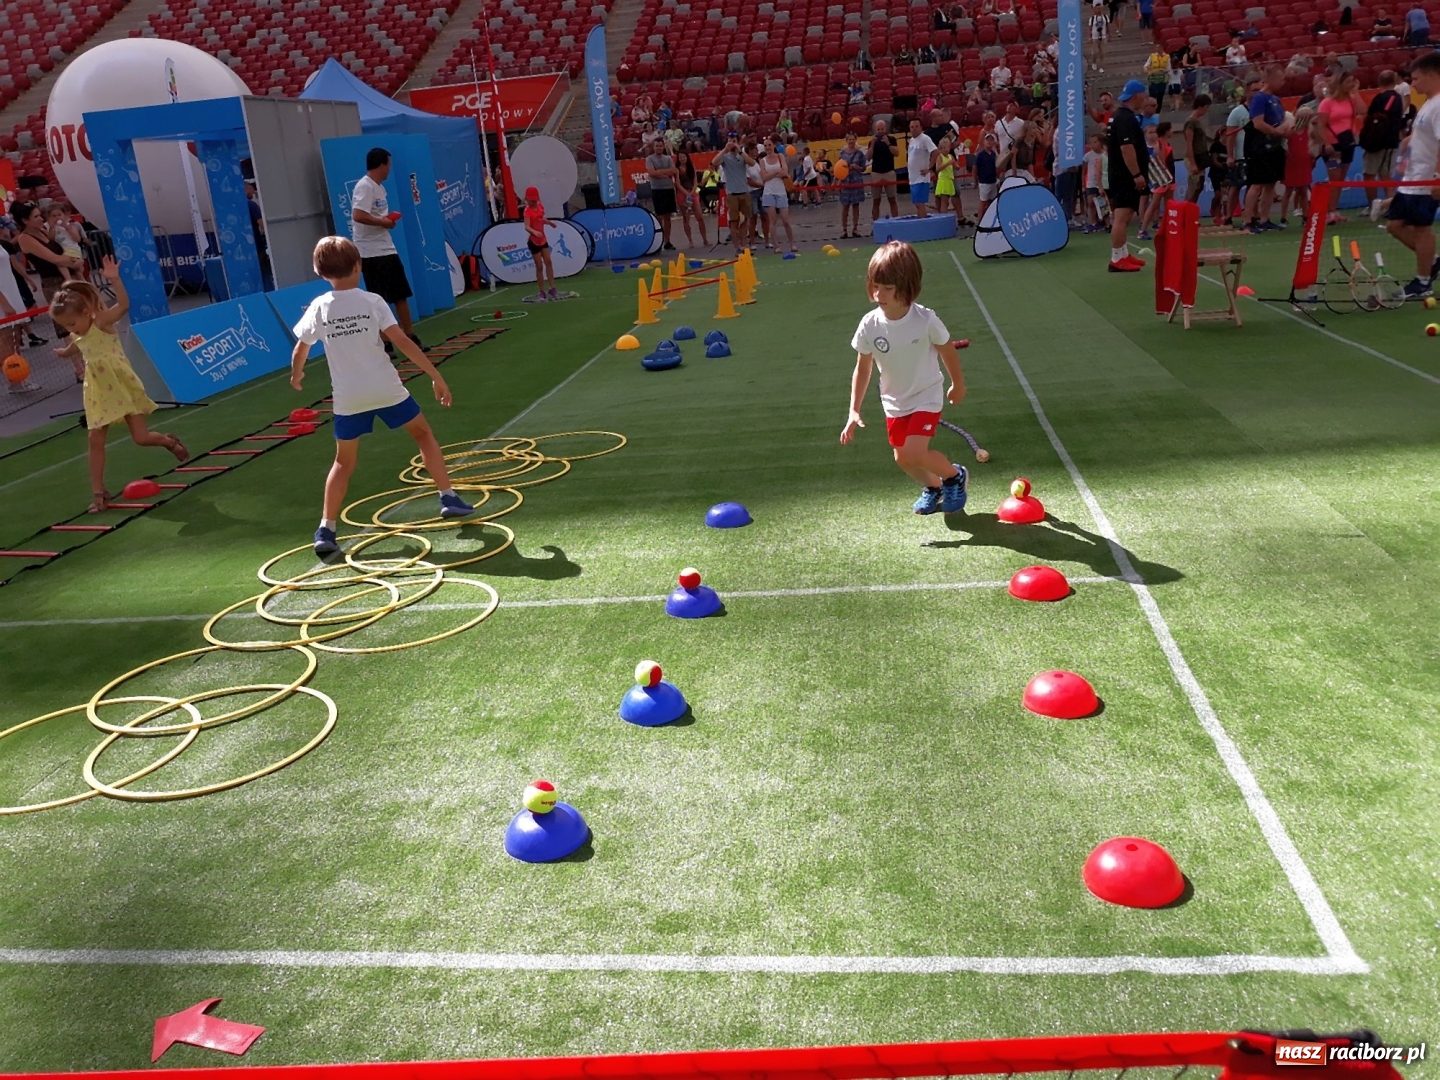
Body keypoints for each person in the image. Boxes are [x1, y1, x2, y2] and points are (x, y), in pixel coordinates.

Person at [292, 236, 474, 557]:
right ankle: (447, 496)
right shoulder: (373, 301)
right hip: (386, 389)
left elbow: (301, 348)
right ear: (358, 266)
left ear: (319, 272)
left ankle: (326, 529)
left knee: (343, 462)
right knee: (423, 435)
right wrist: (435, 376)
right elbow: (402, 341)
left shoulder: (319, 306)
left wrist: (297, 374)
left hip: (349, 398)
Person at [49, 258, 188, 514]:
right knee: (95, 440)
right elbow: (75, 347)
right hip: (97, 392)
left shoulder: (101, 323)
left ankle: (168, 441)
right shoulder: (77, 334)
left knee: (141, 438)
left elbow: (124, 305)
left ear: (86, 312)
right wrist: (63, 353)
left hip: (122, 386)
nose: (70, 329)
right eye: (65, 326)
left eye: (72, 323)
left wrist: (114, 279)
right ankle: (99, 492)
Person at [840, 241, 968, 517]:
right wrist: (853, 410)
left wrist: (957, 384)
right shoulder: (869, 324)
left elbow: (947, 350)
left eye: (887, 288)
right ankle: (933, 486)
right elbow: (863, 368)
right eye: (875, 285)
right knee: (903, 459)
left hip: (926, 395)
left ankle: (954, 476)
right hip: (894, 401)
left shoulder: (925, 320)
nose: (878, 294)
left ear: (907, 286)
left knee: (915, 453)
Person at [1386, 52, 1440, 296]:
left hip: (1426, 180)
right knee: (1394, 225)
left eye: (1416, 79)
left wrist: (1437, 178)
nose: (1413, 84)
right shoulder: (1429, 103)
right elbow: (1422, 136)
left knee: (1421, 229)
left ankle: (1423, 283)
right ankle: (1433, 261)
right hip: (1412, 178)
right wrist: (1406, 148)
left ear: (1432, 75)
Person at [350, 148, 416, 345]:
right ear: (381, 165)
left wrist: (387, 221)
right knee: (379, 299)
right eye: (388, 165)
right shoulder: (365, 186)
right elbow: (358, 215)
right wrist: (383, 222)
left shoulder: (380, 188)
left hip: (386, 247)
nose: (389, 169)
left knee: (401, 293)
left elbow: (375, 216)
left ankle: (410, 336)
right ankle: (385, 342)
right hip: (370, 252)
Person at [12, 200, 83, 361]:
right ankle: (79, 366)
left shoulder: (44, 231)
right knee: (67, 325)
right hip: (54, 283)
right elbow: (55, 259)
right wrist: (75, 262)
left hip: (68, 275)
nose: (41, 219)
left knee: (81, 318)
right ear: (25, 220)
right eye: (36, 216)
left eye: (40, 215)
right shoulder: (25, 238)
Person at [1106, 80, 1150, 271]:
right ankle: (1117, 258)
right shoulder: (1125, 118)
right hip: (1124, 175)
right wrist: (1136, 174)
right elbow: (1126, 148)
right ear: (1136, 96)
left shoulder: (1120, 116)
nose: (1145, 99)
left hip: (1121, 174)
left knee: (1125, 215)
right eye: (1143, 96)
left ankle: (1123, 253)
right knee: (1122, 217)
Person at [1317, 71, 1364, 224]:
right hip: (1332, 144)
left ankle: (1334, 211)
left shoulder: (1351, 99)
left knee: (1340, 180)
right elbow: (1321, 125)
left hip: (1347, 142)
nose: (1351, 85)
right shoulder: (1327, 102)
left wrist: (1356, 92)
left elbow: (1362, 111)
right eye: (1348, 82)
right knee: (1334, 179)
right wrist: (1326, 143)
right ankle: (1327, 212)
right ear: (1340, 84)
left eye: (1352, 82)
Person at [1361, 71, 1406, 210]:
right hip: (1392, 141)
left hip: (1376, 142)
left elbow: (1369, 117)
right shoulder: (1398, 98)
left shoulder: (1380, 98)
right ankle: (1389, 206)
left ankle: (1372, 206)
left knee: (1369, 174)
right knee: (1386, 175)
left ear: (1379, 82)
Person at [758, 138, 798, 253]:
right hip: (769, 192)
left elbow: (784, 172)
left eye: (769, 145)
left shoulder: (780, 157)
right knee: (773, 220)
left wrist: (771, 174)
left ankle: (792, 243)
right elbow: (764, 178)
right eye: (765, 146)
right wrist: (776, 172)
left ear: (773, 146)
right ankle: (776, 245)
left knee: (786, 220)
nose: (767, 147)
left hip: (781, 191)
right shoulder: (763, 161)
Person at [716, 137, 755, 253]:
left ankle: (744, 246)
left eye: (734, 141)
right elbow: (714, 162)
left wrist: (740, 151)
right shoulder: (725, 157)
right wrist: (725, 149)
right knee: (734, 221)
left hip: (744, 191)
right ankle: (737, 247)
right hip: (732, 193)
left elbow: (752, 163)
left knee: (745, 221)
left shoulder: (742, 156)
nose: (732, 143)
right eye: (730, 141)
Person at [1137, 121, 1174, 240]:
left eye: (1154, 132)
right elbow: (1161, 164)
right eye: (1170, 129)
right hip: (1161, 180)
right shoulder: (1158, 146)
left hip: (1169, 178)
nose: (1172, 131)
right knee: (1154, 204)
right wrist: (1165, 181)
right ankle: (1142, 230)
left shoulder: (1164, 144)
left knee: (1169, 204)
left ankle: (1169, 227)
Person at [1281, 107, 1318, 223]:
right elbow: (1283, 142)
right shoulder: (1291, 131)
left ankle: (1305, 215)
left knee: (1303, 190)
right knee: (1288, 190)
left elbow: (1316, 143)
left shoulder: (1310, 132)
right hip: (1292, 163)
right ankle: (1283, 217)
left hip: (1305, 163)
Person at [521, 186, 558, 302]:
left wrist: (549, 223)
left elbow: (541, 219)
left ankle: (552, 287)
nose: (533, 202)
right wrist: (534, 232)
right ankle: (541, 291)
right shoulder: (527, 211)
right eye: (531, 200)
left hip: (543, 239)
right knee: (539, 266)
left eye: (534, 200)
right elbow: (527, 226)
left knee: (548, 262)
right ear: (527, 199)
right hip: (534, 241)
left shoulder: (540, 207)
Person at [644, 135, 678, 250]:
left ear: (663, 147)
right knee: (659, 217)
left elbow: (673, 171)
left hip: (668, 189)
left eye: (660, 146)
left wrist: (659, 172)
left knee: (668, 216)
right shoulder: (649, 159)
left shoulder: (668, 159)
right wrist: (664, 173)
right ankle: (658, 241)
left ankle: (667, 241)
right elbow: (652, 173)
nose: (658, 148)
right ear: (653, 147)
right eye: (656, 146)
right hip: (657, 190)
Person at [673, 150, 709, 247]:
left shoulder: (691, 167)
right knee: (686, 218)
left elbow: (695, 181)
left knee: (700, 217)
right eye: (680, 157)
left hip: (692, 192)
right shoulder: (677, 169)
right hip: (682, 194)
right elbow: (677, 183)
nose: (682, 159)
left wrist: (692, 192)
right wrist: (686, 193)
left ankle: (705, 239)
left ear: (687, 157)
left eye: (684, 157)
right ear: (678, 159)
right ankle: (690, 241)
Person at [868, 120, 901, 223]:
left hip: (889, 172)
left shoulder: (892, 139)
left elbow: (897, 153)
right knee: (876, 200)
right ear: (875, 130)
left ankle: (896, 222)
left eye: (882, 129)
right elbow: (868, 157)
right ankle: (876, 224)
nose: (880, 131)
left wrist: (888, 143)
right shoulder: (872, 141)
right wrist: (872, 145)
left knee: (892, 199)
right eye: (878, 129)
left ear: (886, 129)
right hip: (876, 172)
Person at [1182, 94, 1213, 204]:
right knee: (1194, 186)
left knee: (1199, 186)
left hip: (1200, 158)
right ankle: (1186, 210)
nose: (1207, 110)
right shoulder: (1190, 122)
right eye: (1206, 107)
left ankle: (1191, 209)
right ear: (1200, 106)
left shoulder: (1197, 122)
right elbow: (1189, 143)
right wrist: (1192, 163)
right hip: (1194, 158)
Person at [837, 132, 868, 238]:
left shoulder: (860, 154)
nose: (851, 141)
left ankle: (855, 228)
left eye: (853, 139)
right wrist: (838, 181)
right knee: (845, 206)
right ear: (846, 141)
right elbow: (838, 168)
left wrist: (856, 167)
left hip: (856, 180)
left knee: (856, 205)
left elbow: (864, 168)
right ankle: (844, 229)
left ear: (855, 140)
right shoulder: (842, 154)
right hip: (845, 181)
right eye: (849, 139)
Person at [906, 117, 937, 218]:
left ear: (921, 127)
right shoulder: (911, 140)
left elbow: (935, 152)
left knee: (920, 203)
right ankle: (920, 219)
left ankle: (923, 221)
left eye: (916, 126)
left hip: (921, 177)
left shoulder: (925, 139)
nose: (914, 129)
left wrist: (929, 168)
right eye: (912, 127)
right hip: (913, 177)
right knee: (917, 203)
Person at [975, 131, 1000, 218]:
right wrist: (975, 179)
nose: (989, 142)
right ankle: (979, 220)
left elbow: (996, 167)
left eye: (991, 140)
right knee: (983, 201)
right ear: (984, 142)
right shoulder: (980, 155)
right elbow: (975, 167)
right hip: (984, 181)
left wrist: (997, 179)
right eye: (987, 140)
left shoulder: (993, 154)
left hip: (992, 181)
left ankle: (989, 218)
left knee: (992, 201)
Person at [934, 135, 957, 214]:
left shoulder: (951, 156)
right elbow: (937, 169)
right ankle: (943, 216)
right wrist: (947, 164)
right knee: (944, 201)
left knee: (947, 202)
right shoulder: (940, 157)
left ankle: (944, 214)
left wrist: (956, 165)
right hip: (943, 180)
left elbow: (956, 166)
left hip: (949, 180)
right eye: (944, 148)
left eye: (947, 148)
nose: (946, 149)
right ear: (940, 149)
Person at [1145, 39, 1171, 107]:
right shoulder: (1152, 56)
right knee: (1152, 94)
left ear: (1162, 48)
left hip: (1162, 79)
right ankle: (1151, 107)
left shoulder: (1167, 57)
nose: (1157, 49)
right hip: (1153, 78)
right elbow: (1146, 66)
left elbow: (1169, 69)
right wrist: (1147, 70)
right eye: (1156, 47)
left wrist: (1163, 70)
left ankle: (1158, 109)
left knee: (1160, 94)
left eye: (1158, 47)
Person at [1088, 0, 1109, 70]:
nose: (1099, 10)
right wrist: (1089, 37)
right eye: (1097, 8)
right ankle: (1094, 62)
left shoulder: (1105, 17)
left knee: (1102, 52)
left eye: (1100, 8)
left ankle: (1101, 66)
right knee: (1095, 52)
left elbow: (1107, 26)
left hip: (1103, 36)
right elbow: (1090, 28)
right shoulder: (1092, 19)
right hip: (1095, 37)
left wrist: (1109, 35)